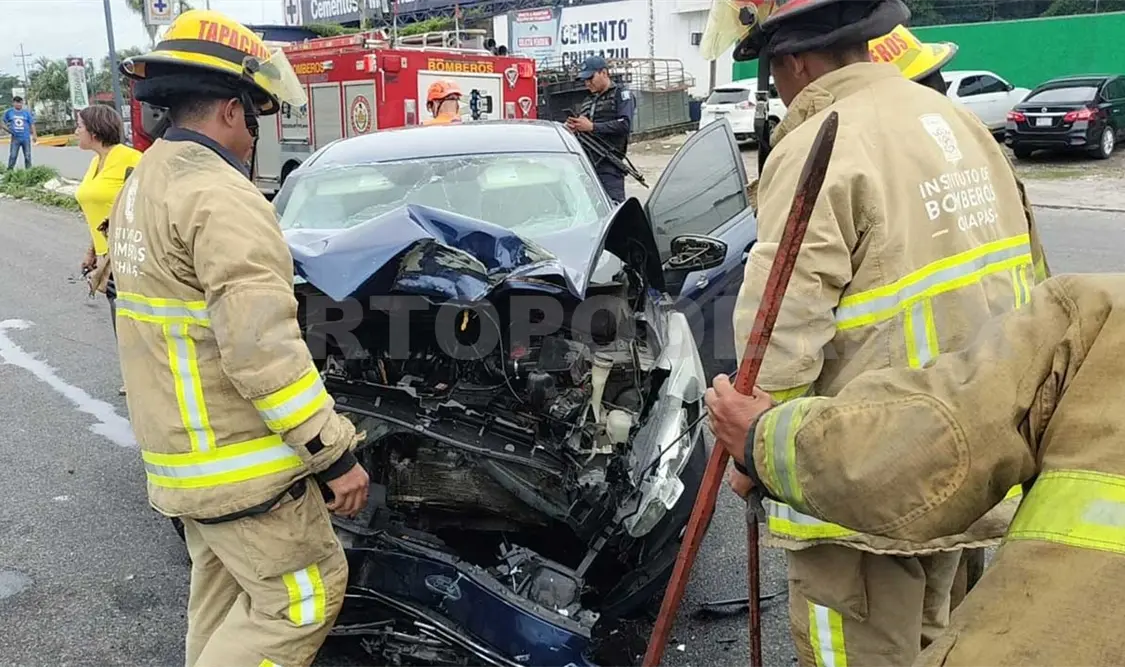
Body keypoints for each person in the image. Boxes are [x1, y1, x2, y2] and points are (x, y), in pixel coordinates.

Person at [716, 1, 1051, 665]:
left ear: (792, 61)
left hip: (861, 476)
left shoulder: (821, 138)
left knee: (859, 651)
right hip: (970, 452)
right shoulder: (954, 122)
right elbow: (1038, 284)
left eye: (772, 73)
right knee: (944, 643)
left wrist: (758, 446)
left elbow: (780, 324)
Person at [108, 10, 370, 667]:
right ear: (229, 110)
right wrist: (333, 455)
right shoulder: (220, 196)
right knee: (302, 599)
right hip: (239, 462)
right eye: (256, 115)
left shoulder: (146, 179)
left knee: (224, 601)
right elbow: (263, 350)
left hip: (184, 458)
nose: (256, 134)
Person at [707, 273, 1125, 667]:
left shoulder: (1101, 311)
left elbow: (787, 320)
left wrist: (760, 444)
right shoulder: (1008, 194)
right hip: (963, 505)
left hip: (861, 499)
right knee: (933, 626)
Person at [74, 104, 142, 396]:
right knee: (122, 319)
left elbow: (145, 204)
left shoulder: (131, 159)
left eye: (79, 125)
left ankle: (143, 379)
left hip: (130, 254)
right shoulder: (95, 163)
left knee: (130, 320)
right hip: (106, 255)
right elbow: (101, 210)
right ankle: (137, 376)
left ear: (94, 130)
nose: (76, 131)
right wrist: (91, 249)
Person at [565, 55, 635, 204]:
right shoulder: (588, 100)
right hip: (587, 165)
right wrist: (574, 127)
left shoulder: (621, 95)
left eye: (591, 78)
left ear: (604, 73)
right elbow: (583, 128)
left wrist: (592, 127)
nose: (587, 83)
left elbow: (625, 124)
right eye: (585, 80)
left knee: (613, 210)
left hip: (609, 165)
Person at [3, 96, 36, 169]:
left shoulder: (26, 113)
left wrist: (34, 135)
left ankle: (28, 172)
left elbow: (32, 124)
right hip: (15, 138)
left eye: (20, 103)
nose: (19, 105)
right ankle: (10, 172)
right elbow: (3, 122)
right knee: (13, 156)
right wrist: (8, 130)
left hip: (26, 138)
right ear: (13, 103)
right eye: (17, 103)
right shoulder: (9, 112)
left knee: (27, 156)